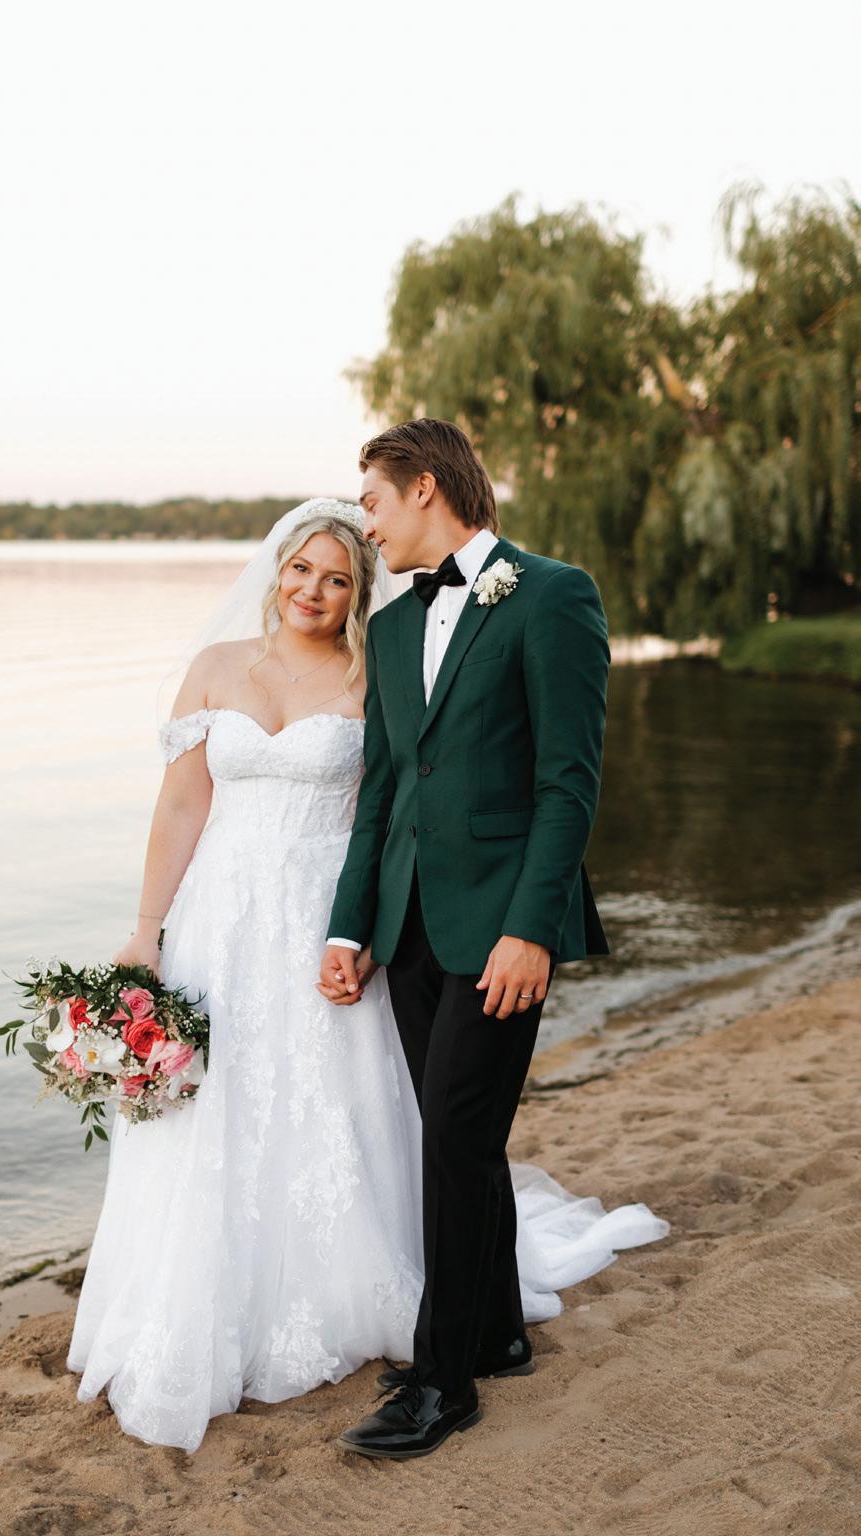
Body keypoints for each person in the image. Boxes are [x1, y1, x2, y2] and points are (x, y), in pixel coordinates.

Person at [66, 493, 669, 1454]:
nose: (313, 590)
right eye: (301, 570)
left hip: (334, 919)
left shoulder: (375, 666)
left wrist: (371, 931)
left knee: (350, 1108)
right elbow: (181, 807)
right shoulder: (215, 668)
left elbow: (397, 804)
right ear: (276, 570)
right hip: (222, 919)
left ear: (360, 593)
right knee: (217, 1108)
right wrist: (147, 932)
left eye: (338, 578)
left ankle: (409, 1318)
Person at [319, 418, 636, 1460]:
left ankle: (442, 1381)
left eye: (371, 502)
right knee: (458, 1137)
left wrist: (530, 929)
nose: (366, 526)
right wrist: (351, 925)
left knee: (454, 1135)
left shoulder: (552, 594)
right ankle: (495, 1329)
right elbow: (382, 793)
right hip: (408, 925)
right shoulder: (392, 629)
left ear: (423, 487)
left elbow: (567, 783)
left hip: (501, 926)